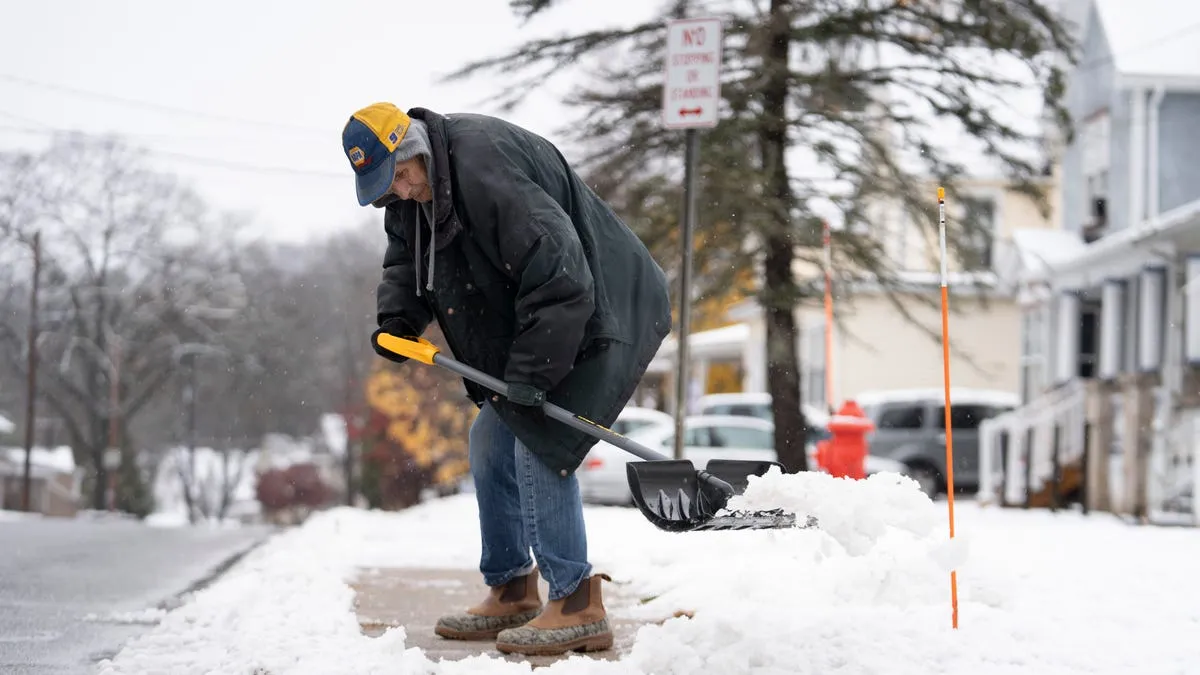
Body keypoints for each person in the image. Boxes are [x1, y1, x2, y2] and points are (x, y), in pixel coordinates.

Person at [340, 102, 672, 656]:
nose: (399, 190)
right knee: (490, 440)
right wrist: (397, 319)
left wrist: (531, 377)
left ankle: (576, 600)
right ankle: (512, 586)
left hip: (601, 307)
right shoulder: (411, 194)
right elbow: (405, 259)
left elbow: (561, 273)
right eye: (386, 184)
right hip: (547, 317)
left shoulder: (483, 167)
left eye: (400, 174)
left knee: (537, 439)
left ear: (416, 148)